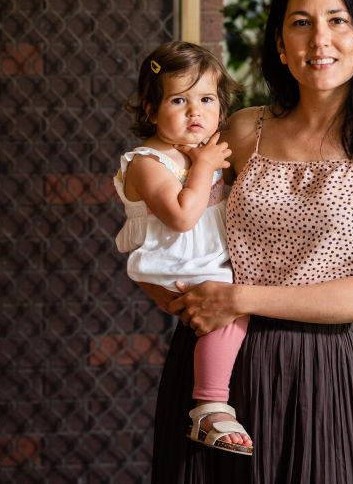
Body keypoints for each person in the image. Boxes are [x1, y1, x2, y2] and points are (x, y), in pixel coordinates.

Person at [153, 0, 353, 483]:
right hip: (216, 378)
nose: (319, 40)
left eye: (338, 20)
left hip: (320, 377)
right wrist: (177, 294)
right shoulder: (240, 130)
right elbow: (175, 227)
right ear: (280, 44)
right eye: (300, 23)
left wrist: (239, 298)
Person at [114, 41, 254, 456]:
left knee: (237, 304)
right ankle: (209, 405)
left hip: (202, 258)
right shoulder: (148, 162)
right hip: (175, 260)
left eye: (206, 98)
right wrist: (206, 168)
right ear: (151, 110)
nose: (196, 111)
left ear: (221, 109)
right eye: (179, 99)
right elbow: (181, 217)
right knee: (230, 311)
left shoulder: (196, 153)